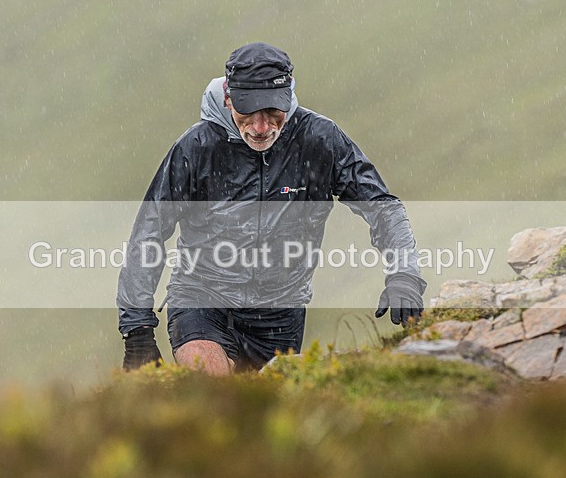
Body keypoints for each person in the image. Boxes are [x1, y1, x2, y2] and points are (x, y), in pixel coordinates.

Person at [117, 42, 426, 375]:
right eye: (248, 112)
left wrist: (404, 274)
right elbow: (150, 230)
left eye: (272, 112)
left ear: (289, 96)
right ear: (228, 98)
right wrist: (137, 328)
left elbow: (382, 208)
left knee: (264, 411)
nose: (262, 127)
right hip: (202, 301)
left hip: (280, 316)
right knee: (213, 390)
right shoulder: (196, 147)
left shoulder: (318, 139)